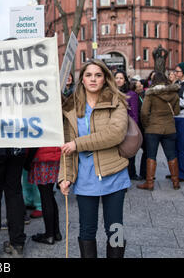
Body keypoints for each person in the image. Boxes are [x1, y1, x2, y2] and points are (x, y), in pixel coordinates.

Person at [59, 59, 131, 258]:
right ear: (81, 79)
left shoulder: (116, 101)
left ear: (105, 79)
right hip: (85, 177)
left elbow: (115, 134)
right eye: (88, 75)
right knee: (86, 230)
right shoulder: (71, 107)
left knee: (115, 228)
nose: (93, 79)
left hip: (114, 174)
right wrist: (65, 177)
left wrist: (78, 144)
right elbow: (67, 147)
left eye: (98, 75)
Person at [137, 72, 180, 190]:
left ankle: (149, 183)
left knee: (151, 155)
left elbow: (144, 112)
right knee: (172, 155)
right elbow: (176, 112)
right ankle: (176, 182)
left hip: (153, 128)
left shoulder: (150, 94)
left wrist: (146, 125)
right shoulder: (174, 94)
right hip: (170, 128)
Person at [29, 146, 62, 245]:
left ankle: (49, 235)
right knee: (49, 194)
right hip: (55, 154)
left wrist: (27, 160)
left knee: (45, 195)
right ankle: (56, 232)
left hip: (41, 156)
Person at [114, 70, 141, 180]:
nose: (118, 80)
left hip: (127, 126)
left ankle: (131, 174)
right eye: (116, 78)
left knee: (128, 150)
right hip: (114, 126)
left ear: (125, 81)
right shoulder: (111, 93)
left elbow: (134, 113)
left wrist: (132, 129)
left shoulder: (131, 94)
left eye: (121, 78)